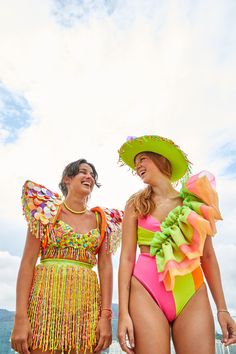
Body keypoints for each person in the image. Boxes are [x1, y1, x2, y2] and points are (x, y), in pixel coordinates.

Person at [117, 135, 236, 354]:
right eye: (136, 164)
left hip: (191, 291)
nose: (138, 166)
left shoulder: (193, 202)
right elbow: (126, 258)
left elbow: (207, 256)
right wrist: (123, 313)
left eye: (142, 159)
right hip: (146, 291)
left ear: (161, 160)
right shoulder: (135, 204)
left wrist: (222, 309)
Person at [11, 158, 123, 354]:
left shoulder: (102, 220)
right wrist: (20, 317)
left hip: (86, 309)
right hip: (44, 306)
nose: (89, 176)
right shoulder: (45, 213)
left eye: (92, 175)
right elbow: (28, 263)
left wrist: (105, 317)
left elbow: (105, 268)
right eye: (83, 171)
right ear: (67, 179)